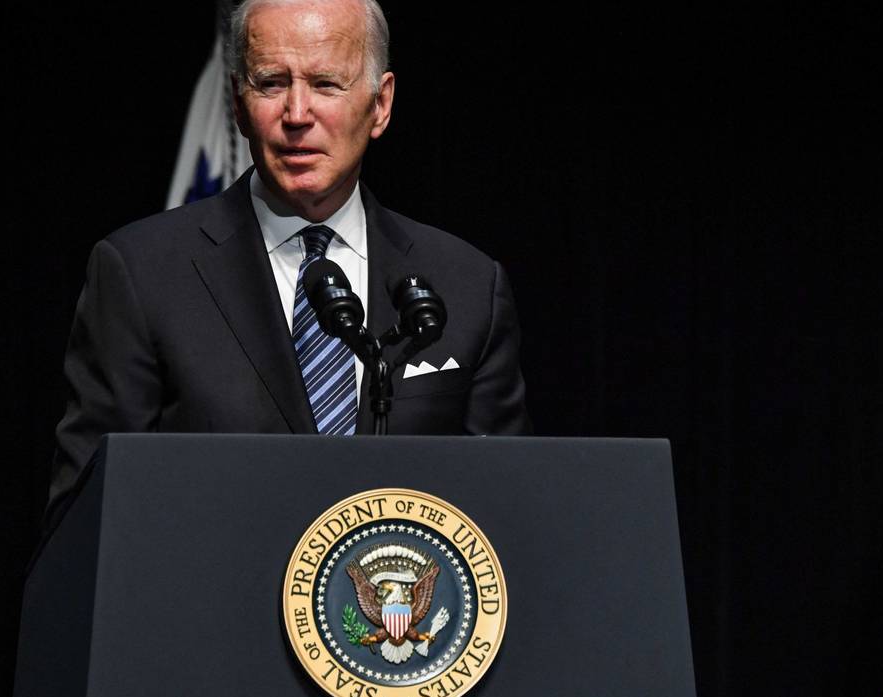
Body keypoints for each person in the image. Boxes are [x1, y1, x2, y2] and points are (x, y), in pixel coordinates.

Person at [49, 0, 531, 520]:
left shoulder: (466, 285)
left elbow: (506, 513)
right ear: (238, 102)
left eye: (326, 84)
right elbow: (86, 523)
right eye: (272, 83)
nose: (297, 115)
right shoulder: (141, 275)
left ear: (380, 105)